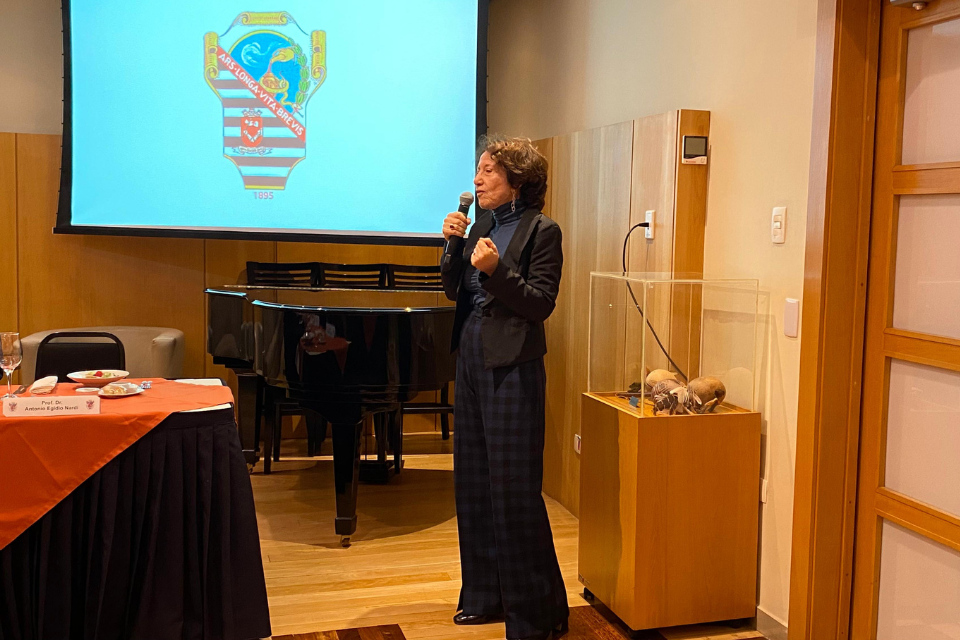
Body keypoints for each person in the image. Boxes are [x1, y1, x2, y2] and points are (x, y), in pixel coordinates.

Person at [440, 135, 568, 640]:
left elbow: (540, 303)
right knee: (473, 482)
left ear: (517, 179)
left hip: (513, 363)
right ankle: (485, 597)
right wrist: (452, 246)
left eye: (489, 170)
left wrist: (496, 271)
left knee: (513, 489)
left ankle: (538, 614)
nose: (478, 179)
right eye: (478, 170)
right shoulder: (483, 224)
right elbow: (455, 290)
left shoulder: (542, 230)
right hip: (472, 354)